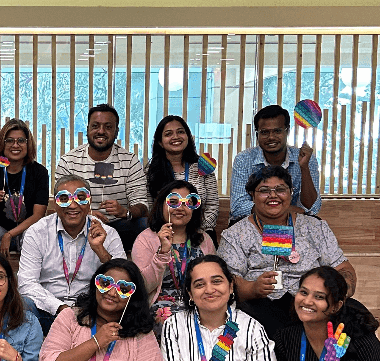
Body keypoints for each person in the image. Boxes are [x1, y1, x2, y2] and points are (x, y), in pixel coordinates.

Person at [218, 166, 356, 338]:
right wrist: (253, 288)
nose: (273, 195)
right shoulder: (235, 234)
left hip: (314, 303)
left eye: (281, 190)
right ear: (252, 196)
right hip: (263, 306)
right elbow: (226, 282)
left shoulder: (315, 227)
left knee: (357, 317)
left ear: (291, 193)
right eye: (264, 190)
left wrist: (331, 294)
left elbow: (344, 269)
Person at [18, 175, 126, 335]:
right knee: (23, 304)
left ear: (89, 202)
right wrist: (60, 308)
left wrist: (100, 250)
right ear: (55, 203)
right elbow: (26, 283)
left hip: (91, 311)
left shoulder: (108, 233)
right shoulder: (37, 232)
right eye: (64, 198)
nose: (73, 205)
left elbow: (123, 283)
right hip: (47, 311)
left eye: (80, 198)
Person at [55, 103, 149, 251]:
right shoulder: (69, 161)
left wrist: (125, 212)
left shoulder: (130, 161)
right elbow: (60, 201)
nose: (101, 131)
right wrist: (87, 213)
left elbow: (142, 205)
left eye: (108, 127)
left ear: (116, 131)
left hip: (119, 225)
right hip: (81, 223)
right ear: (87, 130)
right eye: (95, 126)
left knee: (144, 224)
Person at [131, 182, 215, 325]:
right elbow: (142, 287)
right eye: (173, 202)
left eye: (188, 203)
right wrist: (163, 252)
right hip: (160, 306)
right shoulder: (145, 239)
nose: (180, 208)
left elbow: (214, 278)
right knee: (174, 323)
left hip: (199, 302)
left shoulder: (204, 239)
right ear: (161, 205)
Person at [229, 104, 321, 220]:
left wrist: (304, 168)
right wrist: (280, 210)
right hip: (254, 221)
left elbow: (311, 208)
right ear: (257, 134)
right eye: (264, 132)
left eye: (277, 131)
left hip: (293, 221)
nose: (271, 137)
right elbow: (238, 207)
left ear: (287, 131)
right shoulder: (243, 159)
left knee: (315, 223)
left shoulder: (306, 159)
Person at [0, 119, 49, 255]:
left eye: (21, 140)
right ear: (2, 144)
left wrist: (9, 235)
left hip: (27, 230)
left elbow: (38, 215)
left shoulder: (39, 172)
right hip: (0, 231)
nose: (15, 145)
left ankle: (30, 276)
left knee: (32, 233)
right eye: (9, 141)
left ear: (28, 144)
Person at [145, 116, 219, 235]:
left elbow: (212, 206)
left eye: (180, 132)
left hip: (200, 232)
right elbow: (150, 208)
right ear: (160, 142)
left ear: (188, 137)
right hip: (164, 233)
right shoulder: (151, 171)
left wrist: (197, 229)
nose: (176, 137)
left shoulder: (204, 165)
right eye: (168, 134)